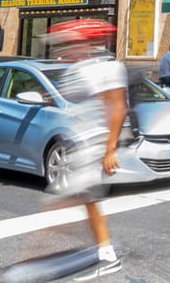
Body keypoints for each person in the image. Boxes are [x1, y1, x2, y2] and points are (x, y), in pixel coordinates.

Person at [40, 19, 128, 280]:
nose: (64, 50)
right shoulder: (76, 70)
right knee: (86, 203)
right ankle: (105, 253)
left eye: (70, 43)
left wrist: (110, 149)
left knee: (61, 203)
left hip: (92, 147)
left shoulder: (104, 69)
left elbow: (117, 107)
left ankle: (34, 263)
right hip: (77, 146)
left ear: (87, 44)